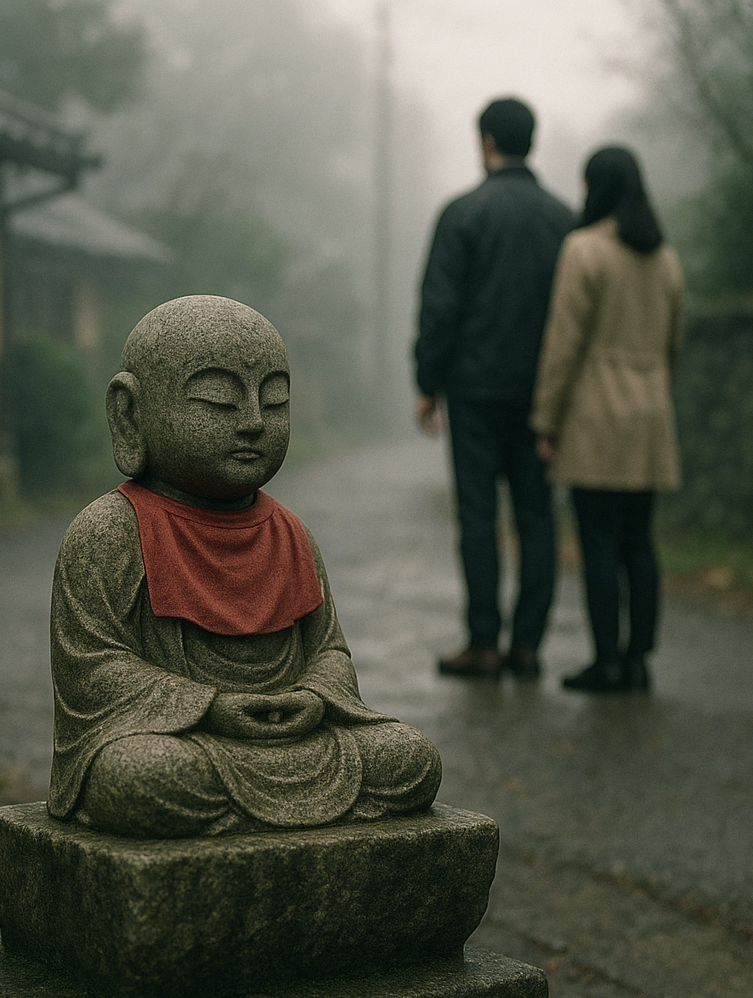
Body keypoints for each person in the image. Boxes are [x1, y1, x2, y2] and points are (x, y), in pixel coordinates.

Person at [48, 295, 442, 838]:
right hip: (187, 744)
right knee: (143, 777)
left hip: (292, 739)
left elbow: (326, 648)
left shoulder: (290, 532)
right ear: (130, 412)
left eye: (275, 401)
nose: (255, 423)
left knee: (407, 758)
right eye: (219, 402)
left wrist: (311, 696)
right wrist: (210, 706)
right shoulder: (110, 531)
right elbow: (92, 669)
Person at [414, 97, 574, 680]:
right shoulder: (565, 219)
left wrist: (428, 383)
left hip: (475, 392)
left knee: (478, 516)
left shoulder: (461, 214)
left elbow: (440, 307)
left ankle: (483, 641)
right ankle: (527, 645)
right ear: (530, 141)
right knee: (536, 516)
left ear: (486, 142)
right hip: (541, 396)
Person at [530, 146, 684, 693]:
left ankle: (607, 661)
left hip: (597, 414)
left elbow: (563, 343)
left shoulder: (584, 250)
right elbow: (673, 342)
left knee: (597, 539)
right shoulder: (664, 256)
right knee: (639, 541)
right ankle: (639, 659)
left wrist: (545, 420)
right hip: (650, 417)